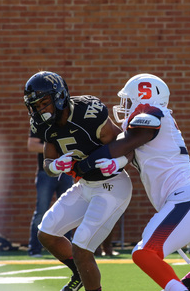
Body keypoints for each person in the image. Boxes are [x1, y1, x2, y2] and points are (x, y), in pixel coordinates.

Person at [75, 73, 190, 291]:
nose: (126, 106)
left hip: (185, 197)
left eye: (129, 100)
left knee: (144, 254)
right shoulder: (157, 122)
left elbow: (128, 142)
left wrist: (86, 163)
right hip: (185, 196)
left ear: (143, 96)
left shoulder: (150, 113)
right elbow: (129, 151)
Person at [23, 71, 133, 291]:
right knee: (47, 232)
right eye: (35, 105)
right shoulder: (43, 125)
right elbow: (48, 161)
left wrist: (118, 162)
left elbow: (125, 143)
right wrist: (54, 166)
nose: (40, 110)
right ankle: (79, 273)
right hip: (85, 186)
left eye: (44, 102)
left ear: (60, 96)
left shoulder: (88, 112)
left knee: (81, 246)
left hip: (113, 185)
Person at [27, 132, 73, 257]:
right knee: (41, 210)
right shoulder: (41, 122)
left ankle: (67, 250)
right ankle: (35, 249)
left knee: (67, 211)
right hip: (46, 173)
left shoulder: (70, 120)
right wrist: (55, 150)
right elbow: (32, 145)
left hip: (67, 173)